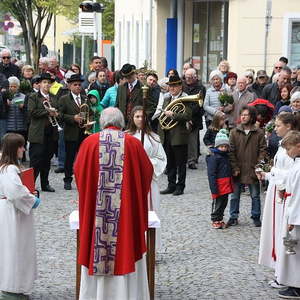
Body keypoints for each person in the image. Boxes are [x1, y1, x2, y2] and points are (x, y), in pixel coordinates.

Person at [74, 107, 153, 300]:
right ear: (121, 122)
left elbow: (78, 173)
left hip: (98, 219)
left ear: (102, 122)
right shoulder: (133, 144)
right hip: (124, 218)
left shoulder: (89, 143)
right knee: (126, 241)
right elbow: (147, 173)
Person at [257, 113, 296, 289]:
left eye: (279, 125)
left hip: (285, 195)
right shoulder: (283, 146)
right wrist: (267, 174)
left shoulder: (291, 148)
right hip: (276, 190)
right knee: (274, 232)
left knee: (283, 235)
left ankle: (285, 276)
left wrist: (272, 172)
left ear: (289, 126)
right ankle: (279, 271)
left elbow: (291, 175)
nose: (275, 128)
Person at [0, 133, 40, 299]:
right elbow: (16, 193)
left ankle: (15, 285)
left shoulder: (6, 167)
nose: (24, 149)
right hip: (12, 213)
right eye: (21, 146)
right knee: (14, 248)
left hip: (12, 211)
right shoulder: (9, 169)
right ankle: (12, 287)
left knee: (13, 247)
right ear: (13, 148)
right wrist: (33, 199)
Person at [127, 106, 167, 248]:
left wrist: (146, 164)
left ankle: (150, 248)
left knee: (151, 212)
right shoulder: (126, 137)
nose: (140, 119)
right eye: (137, 116)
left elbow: (161, 159)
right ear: (132, 118)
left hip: (149, 181)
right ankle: (134, 247)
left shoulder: (153, 137)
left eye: (142, 116)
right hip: (131, 182)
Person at [227, 105, 267, 227]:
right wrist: (234, 167)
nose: (243, 117)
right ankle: (233, 216)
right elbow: (231, 151)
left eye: (246, 115)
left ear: (252, 117)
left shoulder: (259, 132)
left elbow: (263, 150)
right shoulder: (234, 132)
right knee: (234, 196)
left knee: (255, 195)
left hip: (252, 168)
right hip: (238, 169)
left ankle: (256, 216)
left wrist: (258, 166)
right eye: (242, 115)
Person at [276, 131, 300, 299]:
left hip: (296, 215)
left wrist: (292, 219)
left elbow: (298, 196)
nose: (287, 152)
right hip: (292, 210)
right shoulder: (296, 164)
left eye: (289, 148)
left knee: (296, 251)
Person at [158, 75, 192, 196]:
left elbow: (188, 116)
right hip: (167, 135)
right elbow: (162, 115)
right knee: (170, 162)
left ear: (180, 86)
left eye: (175, 86)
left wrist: (173, 115)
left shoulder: (185, 99)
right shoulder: (167, 98)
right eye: (170, 86)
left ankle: (180, 186)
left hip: (179, 136)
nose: (172, 88)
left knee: (181, 163)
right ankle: (171, 185)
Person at [28, 73, 58, 192]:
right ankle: (30, 185)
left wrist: (56, 113)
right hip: (38, 133)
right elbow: (32, 112)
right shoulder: (33, 97)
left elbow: (58, 111)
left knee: (47, 159)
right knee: (35, 160)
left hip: (51, 132)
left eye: (48, 83)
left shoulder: (54, 97)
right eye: (44, 82)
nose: (46, 85)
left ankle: (45, 184)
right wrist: (47, 112)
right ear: (39, 84)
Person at [59, 74, 89, 190]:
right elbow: (60, 115)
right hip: (70, 132)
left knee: (83, 158)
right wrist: (73, 118)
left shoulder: (84, 97)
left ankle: (83, 179)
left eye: (79, 85)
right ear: (70, 86)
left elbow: (89, 112)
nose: (77, 87)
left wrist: (88, 121)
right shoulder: (64, 99)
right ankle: (67, 179)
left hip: (83, 132)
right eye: (75, 85)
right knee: (69, 158)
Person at [206, 129, 233, 229]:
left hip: (225, 184)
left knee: (223, 203)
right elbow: (211, 174)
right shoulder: (214, 157)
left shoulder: (225, 156)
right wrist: (214, 189)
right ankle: (215, 219)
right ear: (217, 146)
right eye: (222, 146)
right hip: (218, 185)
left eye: (225, 147)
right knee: (217, 203)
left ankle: (220, 218)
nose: (224, 148)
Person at [183, 68, 206, 169]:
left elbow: (198, 104)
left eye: (190, 77)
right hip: (183, 116)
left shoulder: (201, 87)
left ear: (194, 77)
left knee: (193, 140)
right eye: (186, 77)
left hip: (195, 117)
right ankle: (183, 159)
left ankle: (192, 160)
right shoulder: (182, 85)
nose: (187, 79)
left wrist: (190, 116)